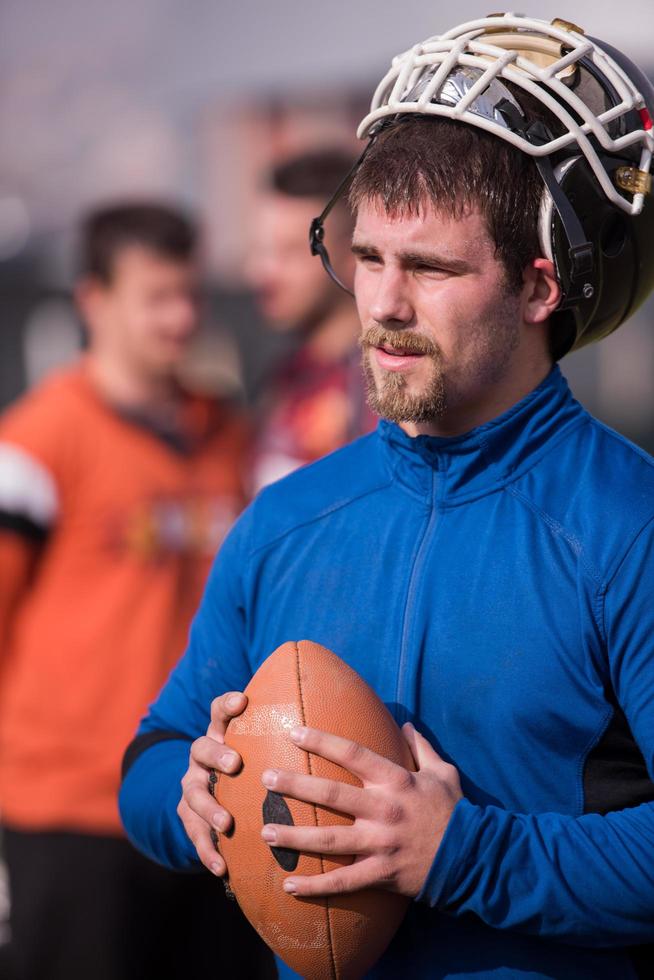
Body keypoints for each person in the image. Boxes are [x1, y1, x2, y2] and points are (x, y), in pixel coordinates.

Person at [120, 16, 654, 980]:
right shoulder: (284, 521)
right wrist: (186, 798)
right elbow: (151, 757)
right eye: (368, 258)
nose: (384, 305)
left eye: (433, 268)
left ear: (540, 286)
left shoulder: (627, 526)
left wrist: (460, 854)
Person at [0, 202, 273, 980]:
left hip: (208, 805)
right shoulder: (35, 444)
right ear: (94, 300)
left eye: (189, 294)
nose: (181, 317)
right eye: (156, 297)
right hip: (70, 814)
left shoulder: (228, 434)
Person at [246, 148, 374, 491]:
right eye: (260, 250)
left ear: (355, 254)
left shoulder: (381, 386)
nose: (262, 273)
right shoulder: (284, 377)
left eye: (289, 252)